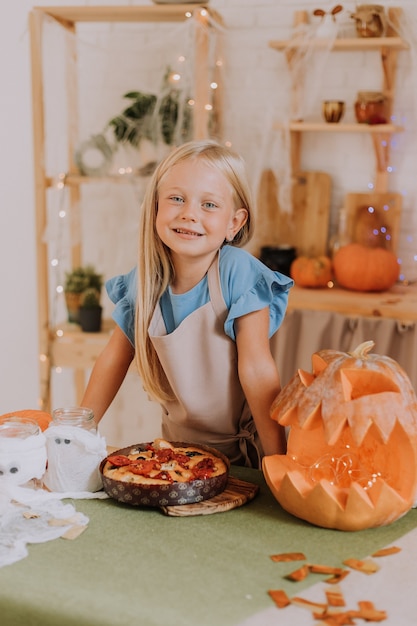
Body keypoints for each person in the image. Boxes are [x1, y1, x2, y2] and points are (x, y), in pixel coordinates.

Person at [81, 140, 293, 468]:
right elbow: (114, 358)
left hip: (246, 457)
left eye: (209, 205)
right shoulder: (145, 281)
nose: (189, 214)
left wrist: (279, 460)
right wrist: (79, 431)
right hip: (177, 454)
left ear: (234, 223)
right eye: (176, 199)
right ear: (155, 208)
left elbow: (256, 370)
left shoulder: (239, 273)